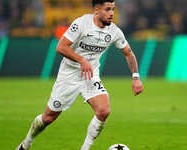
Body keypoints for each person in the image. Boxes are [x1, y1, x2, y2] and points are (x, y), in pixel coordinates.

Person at [16, 0, 143, 150]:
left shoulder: (114, 31)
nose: (111, 14)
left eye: (113, 9)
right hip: (69, 74)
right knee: (49, 117)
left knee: (104, 111)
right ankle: (26, 143)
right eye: (107, 9)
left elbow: (128, 53)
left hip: (90, 75)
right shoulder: (81, 24)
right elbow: (61, 47)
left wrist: (136, 77)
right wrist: (81, 60)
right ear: (96, 11)